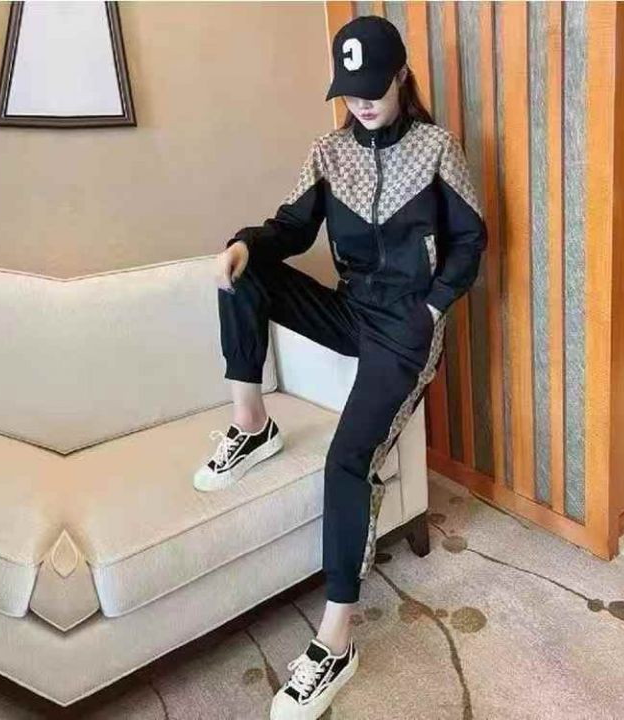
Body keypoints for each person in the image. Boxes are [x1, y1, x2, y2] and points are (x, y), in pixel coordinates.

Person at [195, 14, 487, 720]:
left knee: (346, 463)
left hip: (405, 331)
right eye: (350, 91)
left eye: (373, 88)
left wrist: (431, 309)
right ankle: (252, 425)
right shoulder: (327, 153)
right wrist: (245, 243)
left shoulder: (437, 149)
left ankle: (334, 642)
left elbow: (471, 239)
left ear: (401, 77)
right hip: (352, 311)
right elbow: (292, 230)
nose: (361, 102)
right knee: (243, 274)